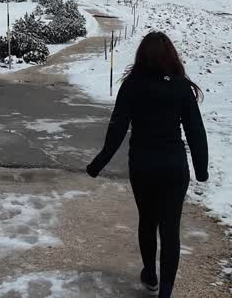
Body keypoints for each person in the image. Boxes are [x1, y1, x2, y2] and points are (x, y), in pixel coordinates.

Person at [86, 31, 208, 297]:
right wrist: (201, 169)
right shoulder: (180, 86)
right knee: (170, 229)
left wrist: (99, 163)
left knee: (148, 220)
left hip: (143, 166)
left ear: (142, 56)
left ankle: (150, 275)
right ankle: (165, 292)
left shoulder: (132, 85)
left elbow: (117, 128)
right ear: (171, 56)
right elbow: (196, 131)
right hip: (175, 167)